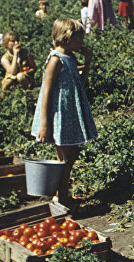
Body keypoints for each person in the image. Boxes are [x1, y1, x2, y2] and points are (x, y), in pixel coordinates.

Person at [30, 18, 97, 212]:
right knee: (67, 156)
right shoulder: (55, 60)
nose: (82, 43)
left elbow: (80, 82)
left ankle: (62, 194)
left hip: (69, 114)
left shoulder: (70, 57)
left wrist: (88, 61)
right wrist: (44, 124)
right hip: (58, 115)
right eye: (79, 39)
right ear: (66, 38)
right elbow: (46, 92)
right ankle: (61, 196)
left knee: (69, 155)